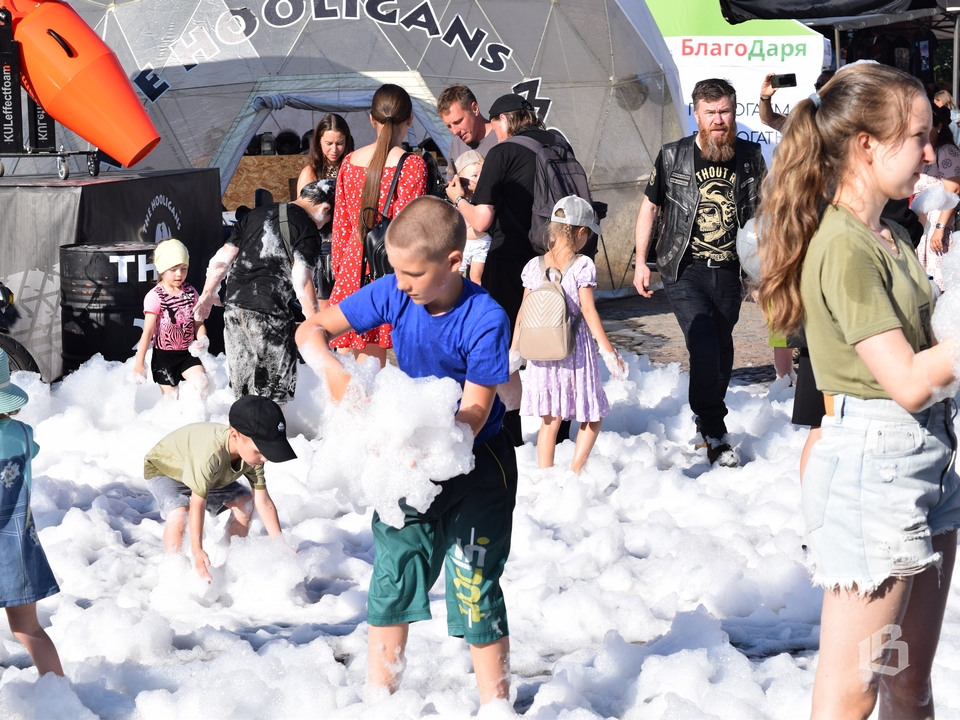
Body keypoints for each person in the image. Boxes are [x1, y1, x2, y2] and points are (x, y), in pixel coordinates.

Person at [756, 62, 959, 719]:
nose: (932, 152)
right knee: (854, 688)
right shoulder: (843, 245)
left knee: (906, 681)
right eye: (920, 136)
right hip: (877, 474)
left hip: (926, 464)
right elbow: (903, 379)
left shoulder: (890, 235)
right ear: (869, 145)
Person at [296, 196, 517, 706]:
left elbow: (475, 412)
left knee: (474, 582)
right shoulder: (397, 291)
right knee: (393, 578)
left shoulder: (485, 318)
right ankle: (380, 704)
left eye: (412, 273)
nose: (399, 282)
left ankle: (495, 706)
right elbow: (312, 329)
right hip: (405, 466)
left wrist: (434, 446)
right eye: (394, 270)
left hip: (477, 466)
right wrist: (333, 371)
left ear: (453, 263)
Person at [633, 78, 766, 467]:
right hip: (683, 266)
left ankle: (707, 415)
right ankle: (713, 429)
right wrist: (642, 261)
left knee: (723, 349)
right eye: (710, 113)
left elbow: (764, 218)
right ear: (697, 115)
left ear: (733, 110)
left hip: (730, 271)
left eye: (725, 111)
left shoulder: (751, 157)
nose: (719, 120)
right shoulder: (673, 156)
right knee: (703, 342)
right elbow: (649, 208)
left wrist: (763, 274)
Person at [446, 93, 553, 445]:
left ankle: (510, 435)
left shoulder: (502, 152)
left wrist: (458, 198)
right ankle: (561, 433)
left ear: (503, 120)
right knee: (553, 345)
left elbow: (482, 217)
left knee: (503, 348)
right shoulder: (556, 144)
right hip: (555, 258)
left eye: (494, 124)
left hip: (510, 260)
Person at [515, 196, 625, 473]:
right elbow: (588, 311)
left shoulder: (533, 266)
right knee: (593, 415)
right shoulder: (582, 265)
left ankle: (544, 475)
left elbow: (523, 311)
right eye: (587, 234)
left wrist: (515, 350)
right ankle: (575, 472)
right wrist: (609, 353)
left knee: (549, 421)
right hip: (574, 349)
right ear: (580, 232)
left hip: (541, 351)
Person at [194, 182, 330, 404]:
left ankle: (240, 435)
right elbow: (302, 278)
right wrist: (314, 321)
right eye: (327, 222)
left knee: (241, 389)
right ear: (324, 209)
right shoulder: (308, 229)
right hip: (270, 313)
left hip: (234, 308)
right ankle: (272, 435)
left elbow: (222, 260)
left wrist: (208, 292)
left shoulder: (255, 214)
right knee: (276, 392)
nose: (324, 226)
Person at [143, 395, 295, 582]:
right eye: (260, 451)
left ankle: (227, 566)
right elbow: (198, 503)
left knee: (245, 503)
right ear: (235, 436)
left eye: (268, 451)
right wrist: (197, 550)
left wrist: (280, 544)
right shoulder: (210, 455)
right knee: (180, 512)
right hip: (166, 468)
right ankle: (175, 575)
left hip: (209, 476)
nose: (265, 458)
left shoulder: (254, 457)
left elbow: (263, 502)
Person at [328, 83, 427, 368]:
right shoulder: (412, 165)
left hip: (351, 269)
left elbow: (342, 228)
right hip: (390, 272)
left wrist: (342, 273)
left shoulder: (349, 161)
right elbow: (411, 229)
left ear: (371, 119)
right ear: (409, 119)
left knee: (352, 368)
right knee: (380, 370)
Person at [0, 349, 63, 677]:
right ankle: (60, 695)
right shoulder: (24, 434)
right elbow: (30, 453)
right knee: (29, 629)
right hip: (19, 548)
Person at [133, 238, 208, 398]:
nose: (179, 274)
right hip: (164, 358)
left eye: (184, 268)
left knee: (202, 383)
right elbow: (147, 332)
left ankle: (198, 418)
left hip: (187, 354)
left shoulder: (191, 292)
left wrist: (202, 339)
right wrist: (139, 363)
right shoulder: (155, 296)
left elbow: (198, 323)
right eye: (173, 269)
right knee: (171, 399)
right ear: (161, 269)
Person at [914, 102, 960, 290]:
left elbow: (953, 190)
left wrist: (939, 229)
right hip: (924, 227)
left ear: (939, 126)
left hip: (939, 225)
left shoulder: (946, 151)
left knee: (940, 282)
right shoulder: (927, 153)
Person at [437, 84, 498, 180]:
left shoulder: (502, 138)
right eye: (449, 126)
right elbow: (450, 182)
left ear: (475, 109)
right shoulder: (456, 144)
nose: (454, 131)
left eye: (458, 121)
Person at [453, 150, 491, 283]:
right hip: (464, 243)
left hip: (481, 243)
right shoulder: (459, 197)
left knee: (476, 276)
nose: (479, 179)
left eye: (482, 174)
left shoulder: (483, 196)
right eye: (474, 175)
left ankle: (478, 299)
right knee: (455, 274)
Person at [297, 113, 354, 194]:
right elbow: (302, 204)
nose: (334, 149)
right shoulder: (310, 172)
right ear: (319, 141)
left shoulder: (353, 168)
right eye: (329, 143)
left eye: (340, 143)